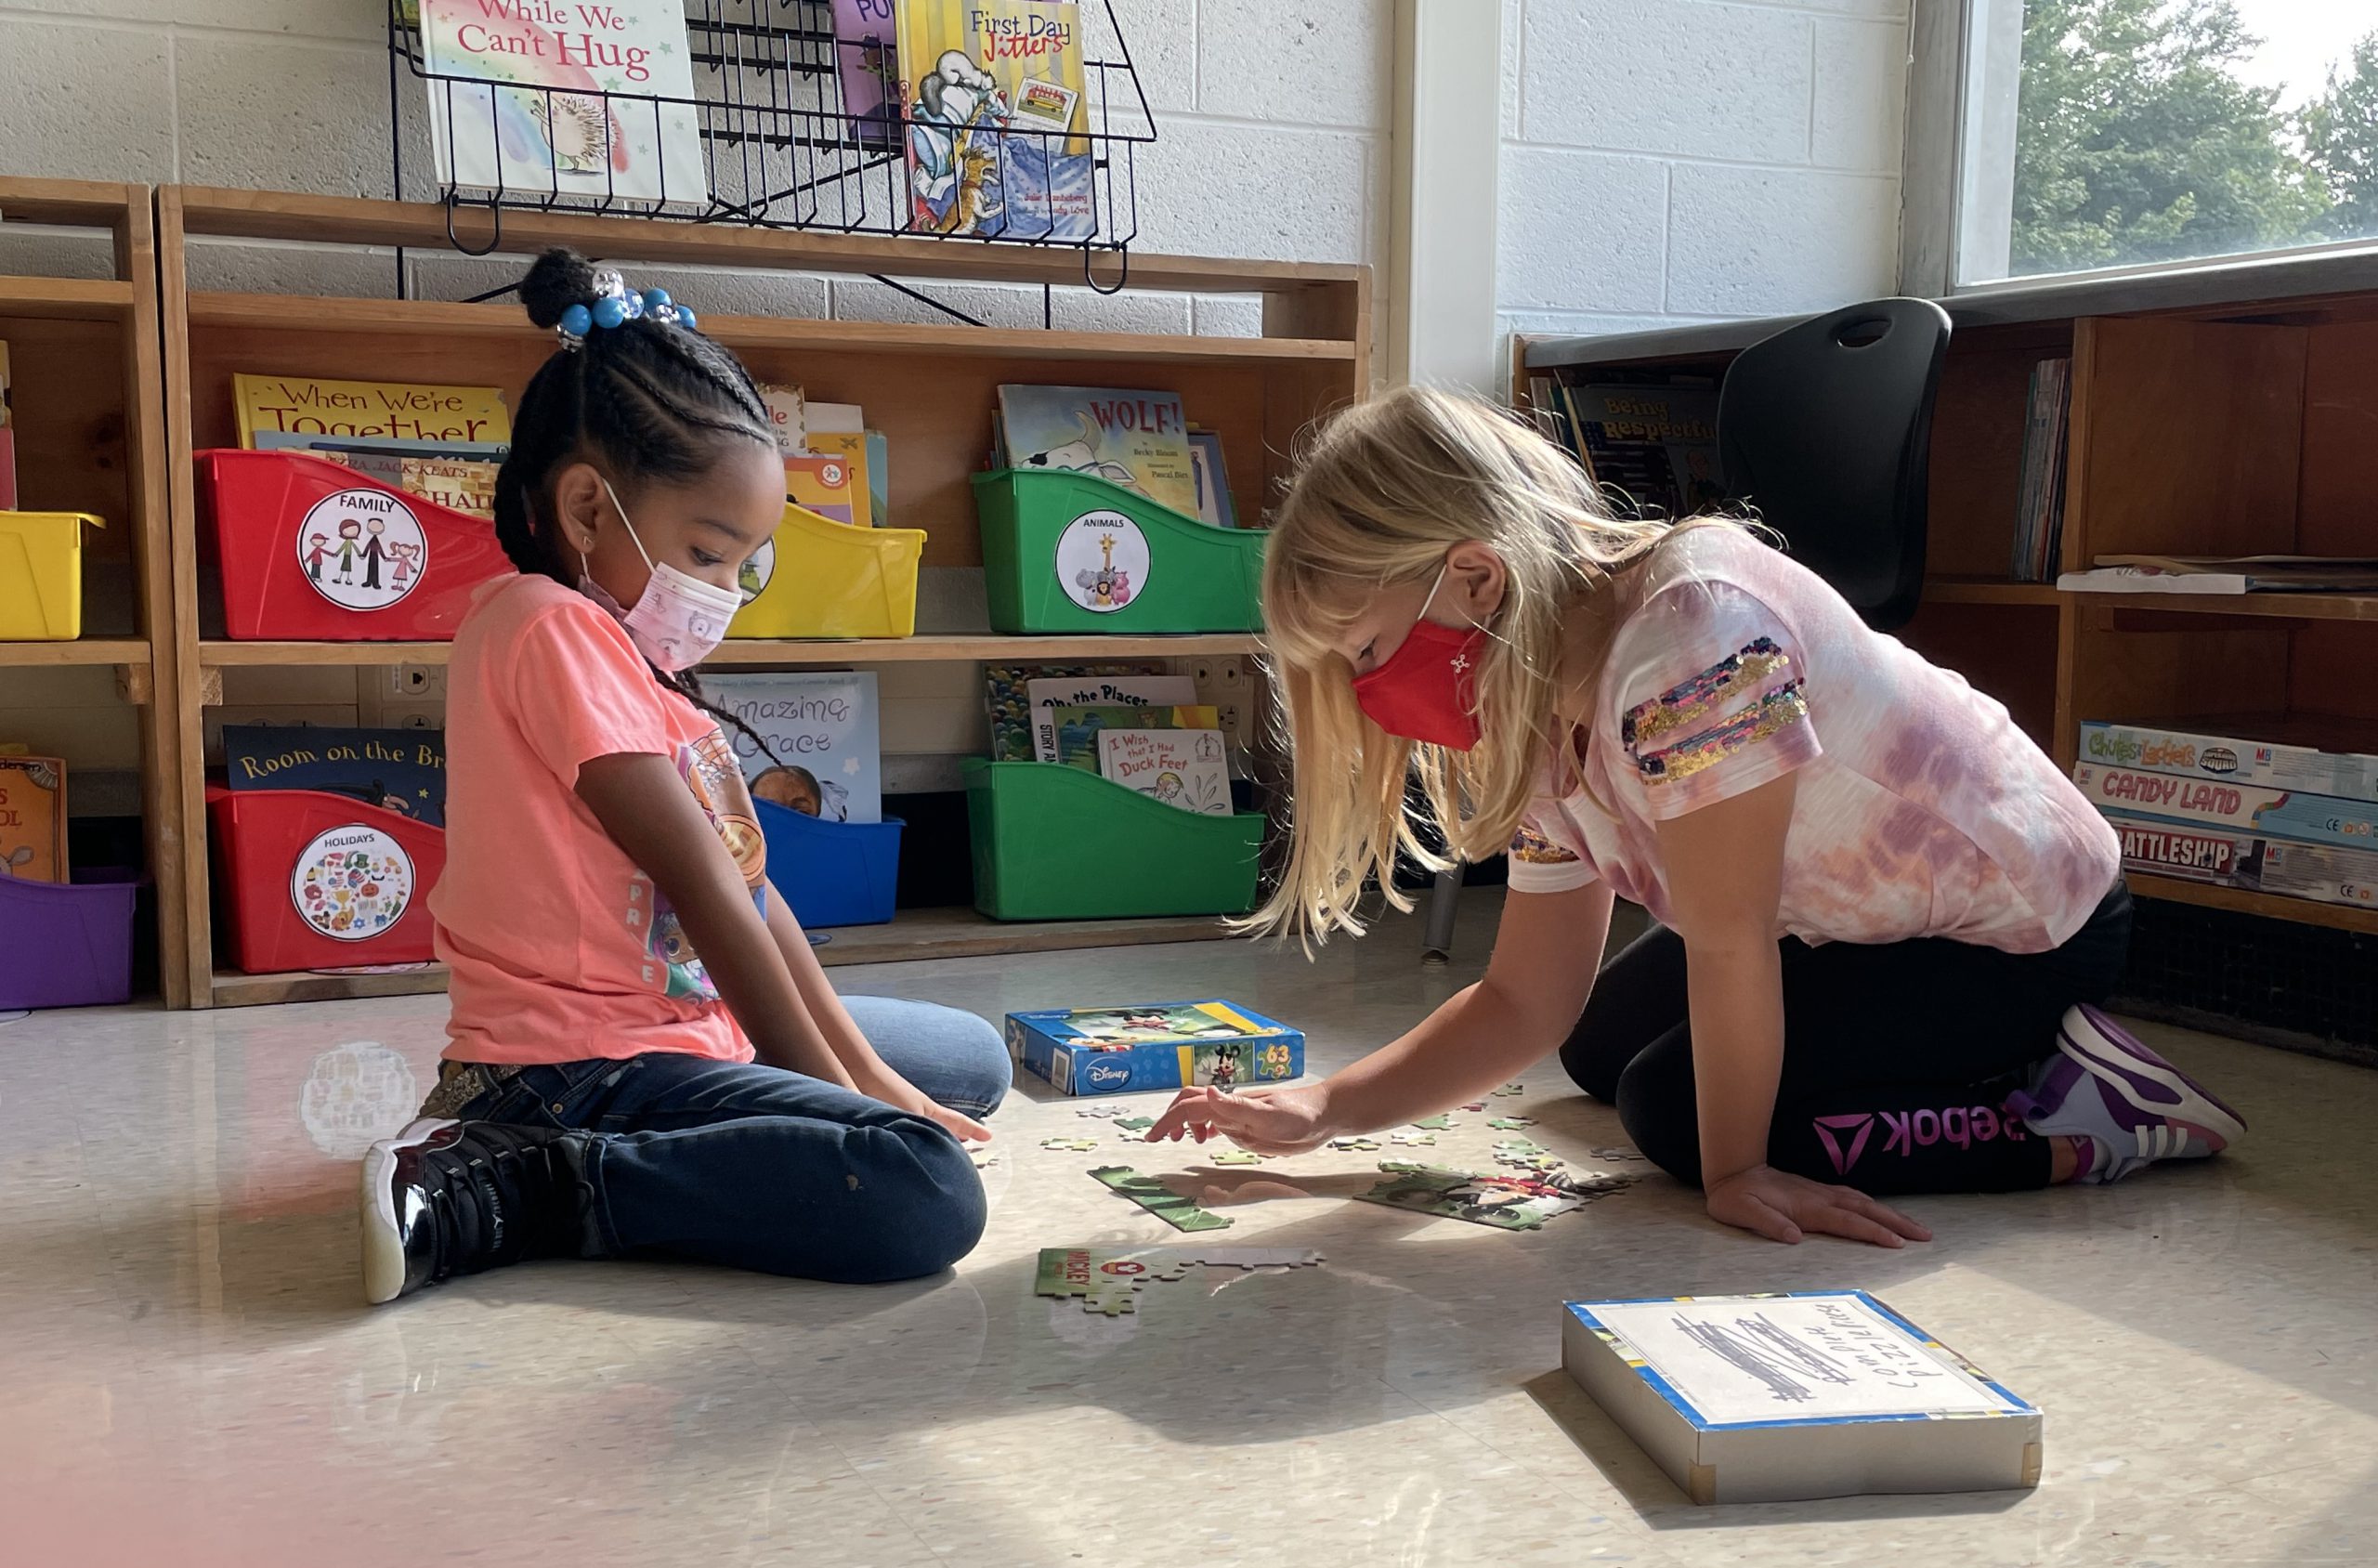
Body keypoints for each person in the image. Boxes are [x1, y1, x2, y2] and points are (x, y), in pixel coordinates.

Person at [1149, 387, 2243, 1248]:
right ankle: (1943, 1074)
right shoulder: (1526, 692)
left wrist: (1735, 1174)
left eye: (1368, 653)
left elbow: (1726, 943)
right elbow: (1528, 997)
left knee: (1674, 1115)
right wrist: (1326, 1107)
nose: (1370, 695)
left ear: (1475, 580)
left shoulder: (1694, 639)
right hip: (1840, 925)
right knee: (1593, 1043)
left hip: (2020, 931)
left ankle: (2069, 1109)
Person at [359, 249, 1007, 1305]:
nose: (725, 592)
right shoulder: (547, 623)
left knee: (961, 1060)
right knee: (921, 1189)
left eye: (742, 564)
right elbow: (706, 894)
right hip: (573, 1073)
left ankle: (765, 1118)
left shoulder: (639, 665)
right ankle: (537, 1180)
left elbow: (753, 890)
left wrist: (870, 1082)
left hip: (671, 1032)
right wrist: (837, 1101)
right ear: (583, 511)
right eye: (708, 554)